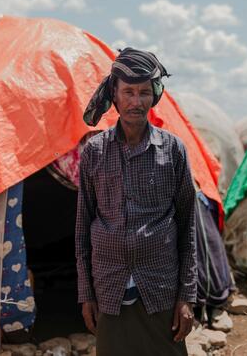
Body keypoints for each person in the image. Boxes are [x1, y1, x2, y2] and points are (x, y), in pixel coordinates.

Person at [76, 48, 197, 355]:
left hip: (160, 290)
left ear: (154, 96)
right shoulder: (94, 152)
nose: (136, 101)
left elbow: (188, 228)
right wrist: (85, 293)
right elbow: (82, 228)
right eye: (128, 91)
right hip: (110, 289)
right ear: (114, 95)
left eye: (144, 92)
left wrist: (187, 296)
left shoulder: (172, 150)